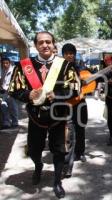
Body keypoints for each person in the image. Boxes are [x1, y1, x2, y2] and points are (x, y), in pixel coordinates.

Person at [9, 31, 80, 198]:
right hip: (36, 116)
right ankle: (38, 166)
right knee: (34, 150)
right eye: (41, 42)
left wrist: (57, 95)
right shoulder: (23, 66)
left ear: (54, 44)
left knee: (60, 150)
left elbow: (75, 88)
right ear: (35, 45)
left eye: (48, 42)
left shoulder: (65, 65)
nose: (45, 45)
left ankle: (57, 181)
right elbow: (13, 89)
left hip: (58, 115)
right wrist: (27, 95)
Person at [61, 43, 88, 179]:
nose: (69, 55)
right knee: (69, 131)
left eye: (72, 53)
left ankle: (81, 152)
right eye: (66, 53)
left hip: (80, 103)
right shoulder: (59, 67)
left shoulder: (80, 66)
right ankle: (67, 159)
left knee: (81, 127)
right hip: (66, 104)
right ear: (63, 54)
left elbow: (90, 78)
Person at [0, 57, 19, 129]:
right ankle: (7, 122)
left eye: (6, 63)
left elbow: (16, 81)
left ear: (9, 63)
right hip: (3, 91)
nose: (5, 65)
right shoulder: (2, 70)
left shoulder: (14, 70)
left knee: (13, 107)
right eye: (3, 63)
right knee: (3, 106)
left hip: (11, 92)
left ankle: (15, 122)